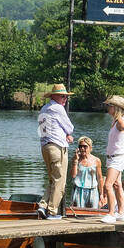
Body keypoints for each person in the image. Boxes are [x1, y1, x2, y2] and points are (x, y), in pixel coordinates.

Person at [36, 83, 74, 218]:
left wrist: (64, 133)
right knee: (60, 181)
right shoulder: (58, 108)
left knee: (52, 180)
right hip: (57, 147)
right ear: (54, 96)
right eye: (63, 96)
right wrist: (67, 134)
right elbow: (69, 127)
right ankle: (52, 211)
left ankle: (42, 205)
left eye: (66, 97)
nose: (65, 99)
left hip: (45, 147)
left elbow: (44, 130)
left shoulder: (43, 108)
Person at [101, 96, 124, 221]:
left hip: (116, 158)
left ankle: (111, 213)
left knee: (107, 185)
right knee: (117, 185)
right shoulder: (115, 121)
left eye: (110, 106)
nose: (108, 108)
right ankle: (121, 213)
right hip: (113, 158)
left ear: (116, 108)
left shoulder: (121, 121)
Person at [70, 137, 102, 210]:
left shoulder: (96, 160)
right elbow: (73, 175)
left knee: (94, 210)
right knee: (78, 210)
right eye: (80, 146)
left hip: (92, 190)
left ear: (90, 148)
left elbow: (100, 178)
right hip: (78, 190)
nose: (82, 148)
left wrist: (102, 194)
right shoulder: (76, 159)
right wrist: (75, 161)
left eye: (85, 146)